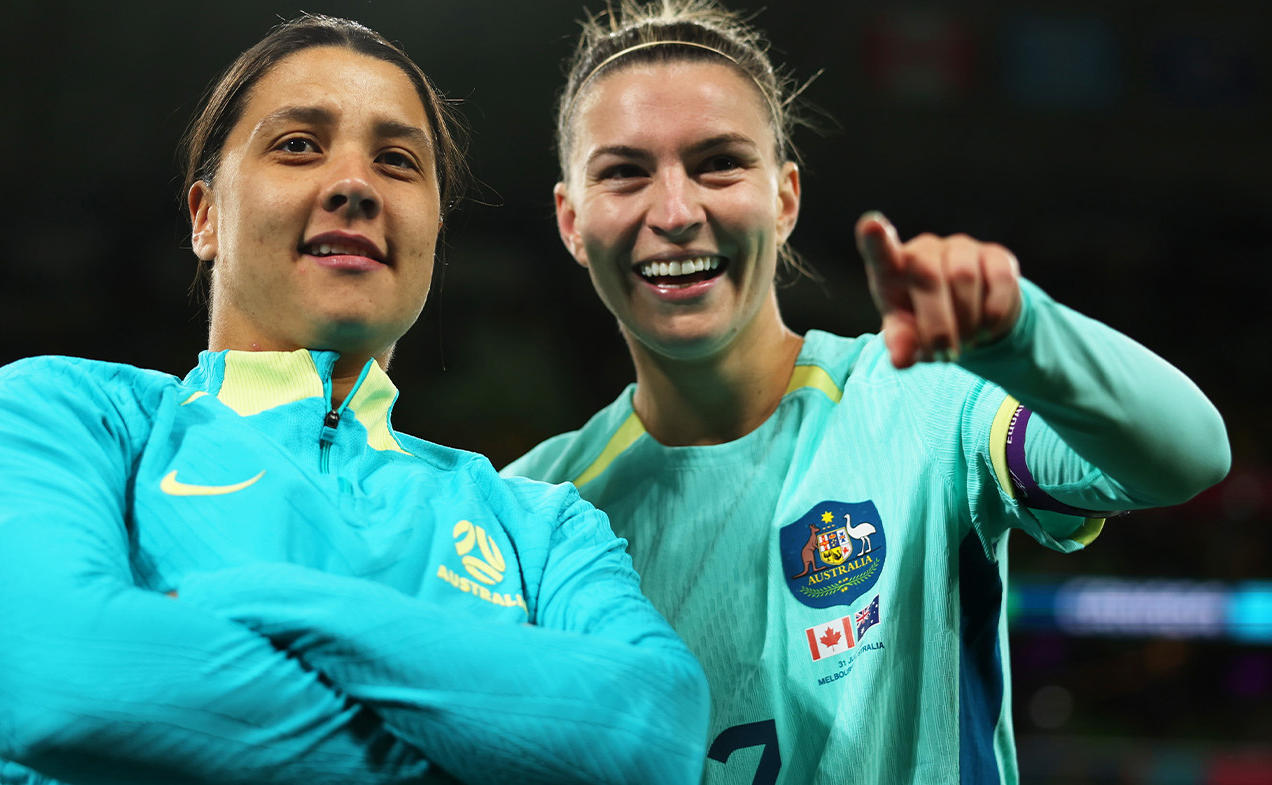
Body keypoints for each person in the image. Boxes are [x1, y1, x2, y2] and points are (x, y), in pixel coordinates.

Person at [0, 14, 709, 785]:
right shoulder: (67, 417)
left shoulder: (541, 527)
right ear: (205, 217)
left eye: (397, 161)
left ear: (433, 231)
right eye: (298, 145)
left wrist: (258, 602)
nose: (355, 186)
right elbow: (59, 686)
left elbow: (655, 735)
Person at [502, 1, 1231, 783]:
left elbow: (1189, 456)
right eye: (624, 172)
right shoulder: (526, 512)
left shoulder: (925, 404)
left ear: (785, 199)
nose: (677, 212)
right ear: (571, 220)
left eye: (719, 163)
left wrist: (1028, 337)